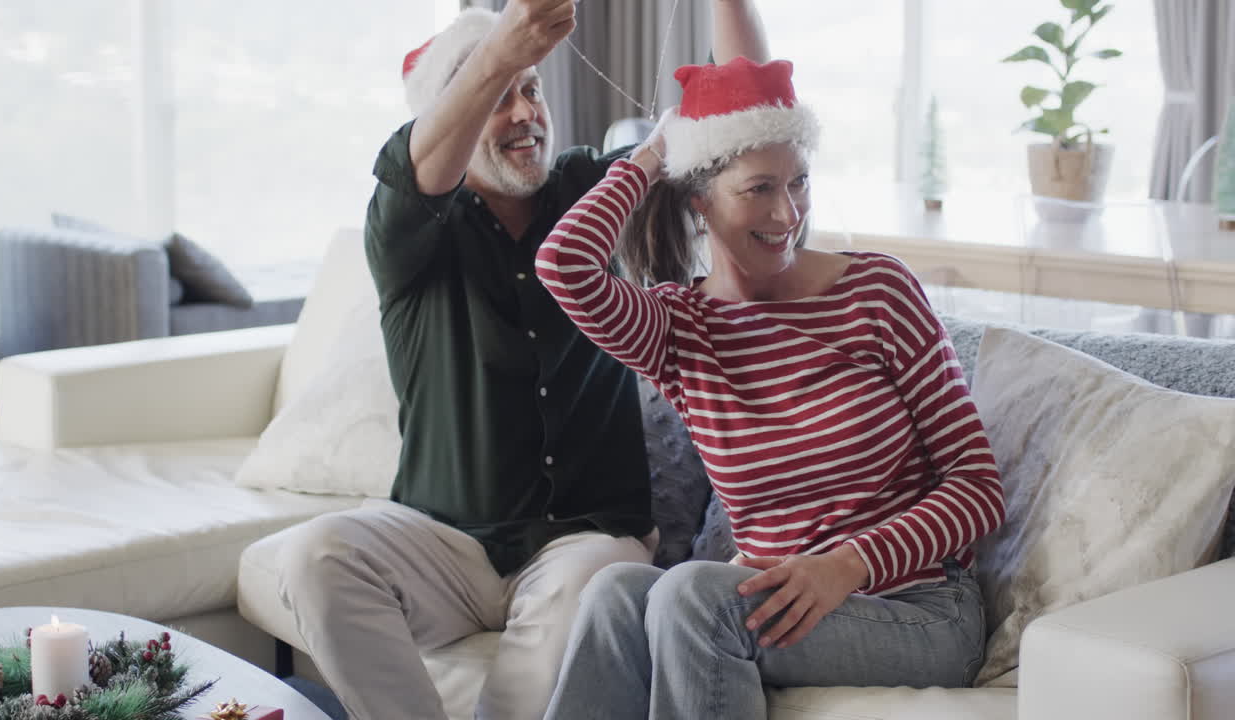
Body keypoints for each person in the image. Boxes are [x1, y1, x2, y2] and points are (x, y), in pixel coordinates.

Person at [275, 2, 775, 719]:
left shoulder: (589, 194)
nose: (524, 112)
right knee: (314, 553)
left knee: (589, 583)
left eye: (533, 89)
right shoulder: (407, 231)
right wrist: (502, 51)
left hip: (586, 541)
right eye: (500, 92)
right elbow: (419, 170)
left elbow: (742, 105)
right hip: (444, 540)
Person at [535, 56, 1006, 719]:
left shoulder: (877, 292)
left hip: (917, 607)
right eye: (759, 189)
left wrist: (848, 565)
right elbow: (564, 264)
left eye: (800, 182)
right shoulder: (679, 329)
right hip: (776, 598)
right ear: (700, 199)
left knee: (690, 596)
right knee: (615, 592)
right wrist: (650, 157)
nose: (789, 213)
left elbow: (978, 487)